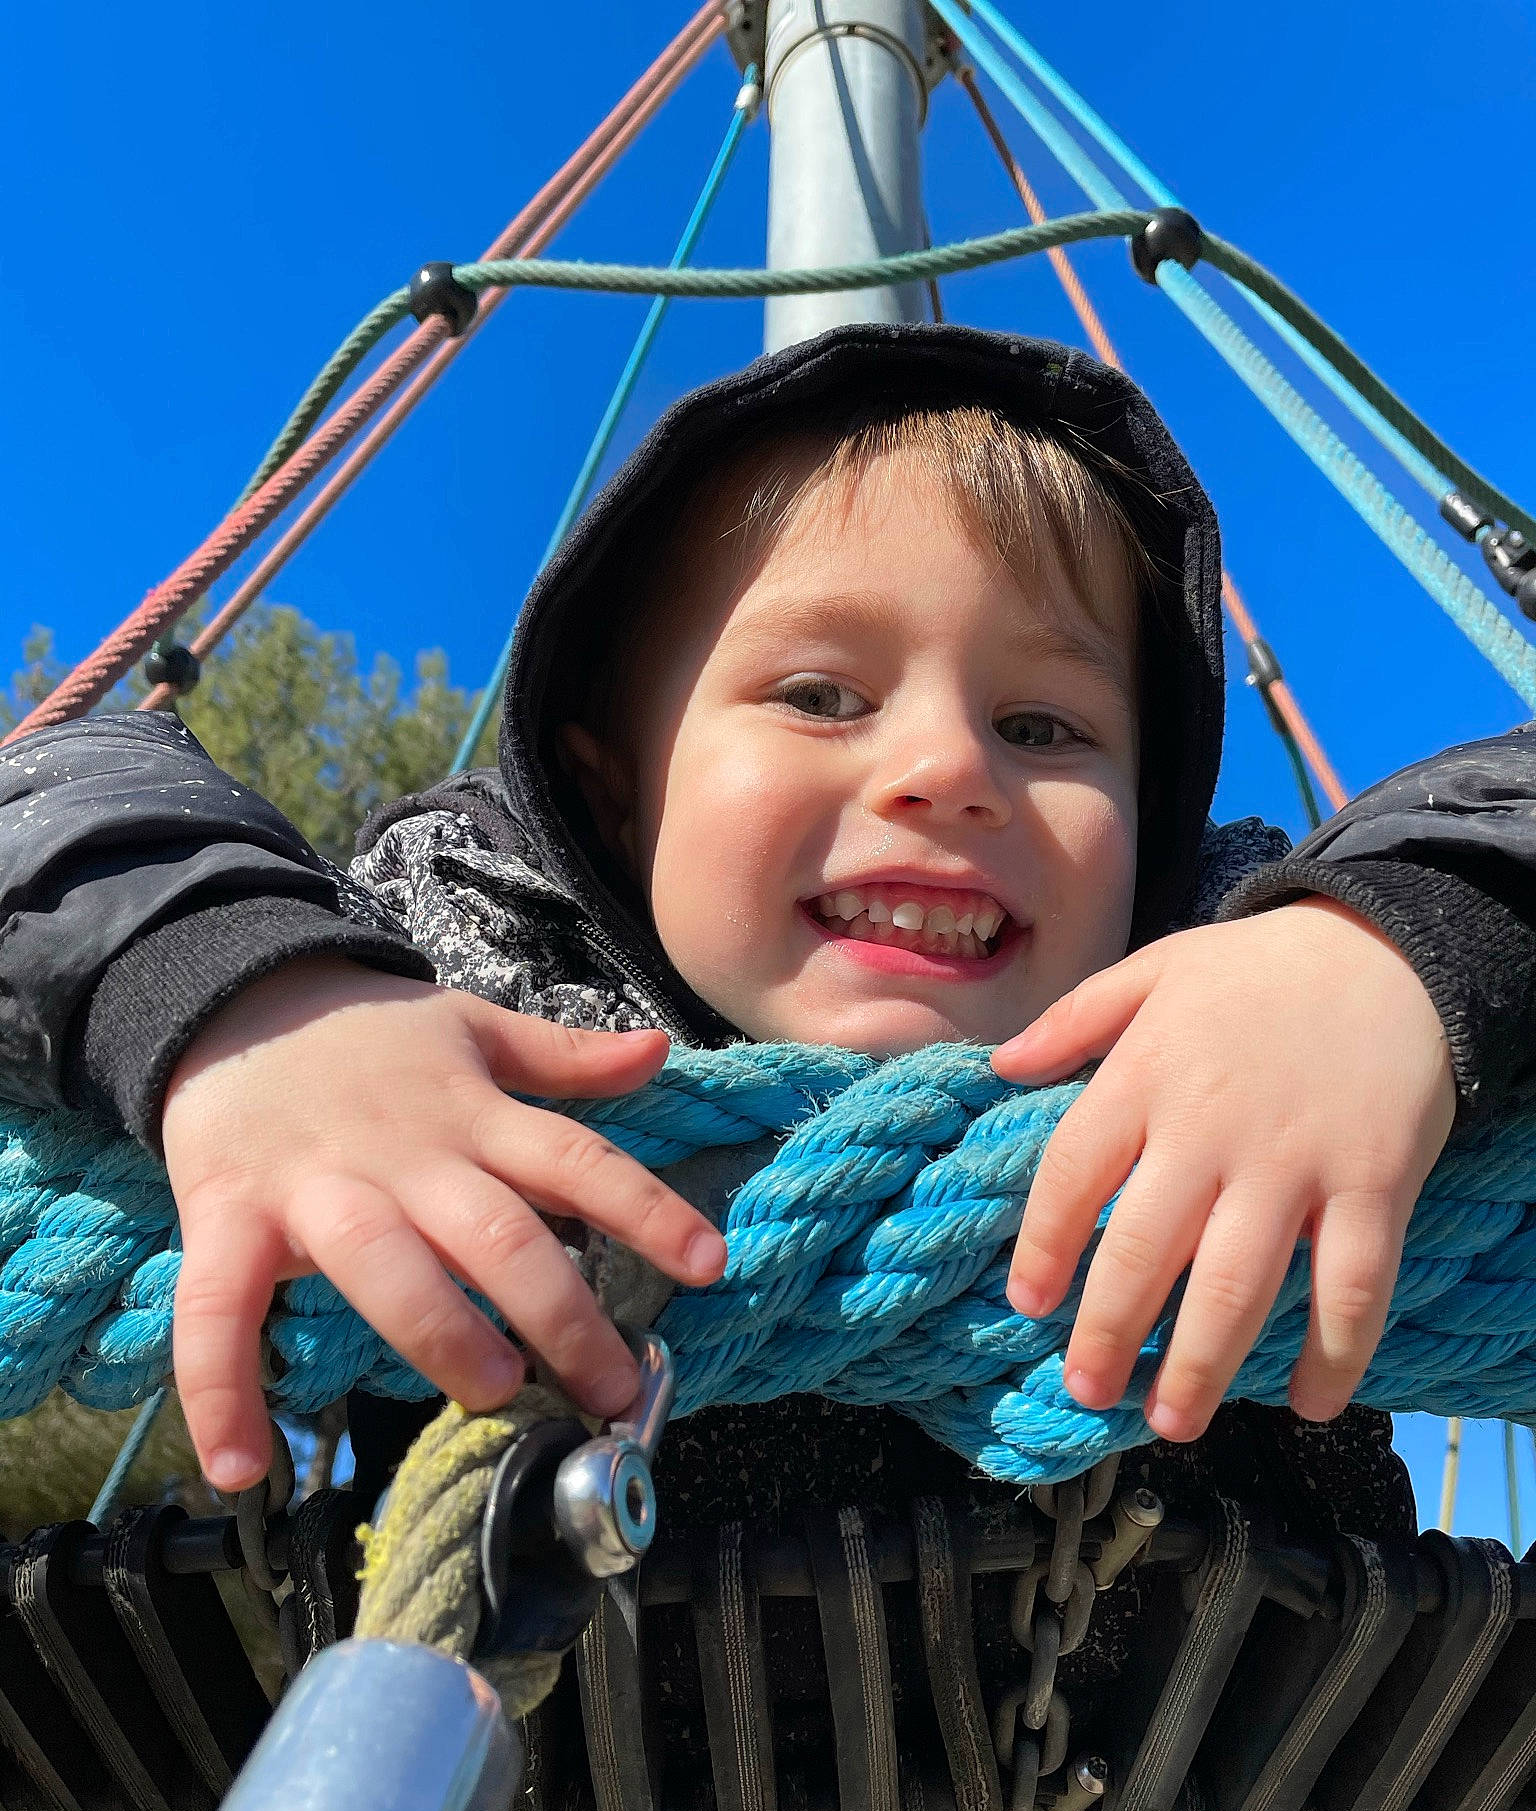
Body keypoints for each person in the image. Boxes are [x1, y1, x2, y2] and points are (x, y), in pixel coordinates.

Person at [4, 325, 1535, 1528]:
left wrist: (1387, 953)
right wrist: (252, 1008)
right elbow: (61, 792)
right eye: (820, 696)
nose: (947, 772)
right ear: (611, 795)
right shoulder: (461, 953)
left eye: (1048, 725)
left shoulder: (1224, 969)